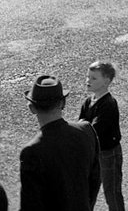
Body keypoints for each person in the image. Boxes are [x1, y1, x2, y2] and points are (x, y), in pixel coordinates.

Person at [19, 74, 100, 211]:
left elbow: (31, 205)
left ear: (31, 108)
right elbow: (95, 181)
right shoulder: (86, 131)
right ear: (63, 103)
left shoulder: (31, 151)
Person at [79, 60, 125, 211]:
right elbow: (81, 122)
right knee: (88, 190)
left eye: (93, 78)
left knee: (112, 192)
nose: (88, 81)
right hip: (94, 154)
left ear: (106, 81)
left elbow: (93, 129)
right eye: (88, 77)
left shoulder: (109, 104)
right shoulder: (88, 101)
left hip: (108, 154)